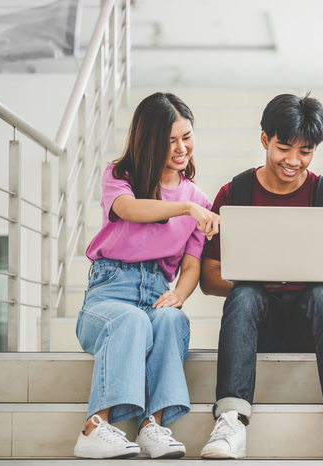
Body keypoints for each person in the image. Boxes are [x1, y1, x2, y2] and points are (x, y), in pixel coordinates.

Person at [198, 93, 323, 460]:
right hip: (258, 321)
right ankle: (231, 419)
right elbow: (207, 279)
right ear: (265, 139)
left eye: (306, 151)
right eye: (285, 148)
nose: (294, 161)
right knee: (245, 294)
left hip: (309, 325)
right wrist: (254, 278)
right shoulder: (235, 194)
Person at [73, 92, 219, 459]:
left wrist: (180, 295)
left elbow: (191, 264)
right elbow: (129, 210)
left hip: (155, 291)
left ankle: (153, 425)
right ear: (149, 141)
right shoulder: (121, 176)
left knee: (170, 320)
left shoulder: (200, 201)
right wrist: (185, 207)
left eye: (186, 137)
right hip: (108, 294)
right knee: (132, 320)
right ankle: (94, 427)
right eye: (169, 140)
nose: (181, 148)